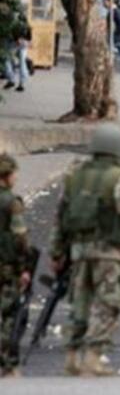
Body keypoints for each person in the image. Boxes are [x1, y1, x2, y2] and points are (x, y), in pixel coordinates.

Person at [50, 125, 120, 377]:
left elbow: (61, 217)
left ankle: (71, 358)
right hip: (109, 252)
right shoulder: (118, 178)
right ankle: (93, 358)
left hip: (79, 251)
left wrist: (56, 252)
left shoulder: (75, 176)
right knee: (108, 304)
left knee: (79, 304)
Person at [0, 154, 32, 378]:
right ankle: (7, 363)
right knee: (12, 315)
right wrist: (24, 267)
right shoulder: (12, 203)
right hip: (7, 267)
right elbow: (20, 238)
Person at [2, 12, 31, 92]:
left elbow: (12, 34)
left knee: (7, 59)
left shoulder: (13, 22)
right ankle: (22, 83)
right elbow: (29, 38)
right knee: (22, 63)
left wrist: (17, 39)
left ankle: (11, 78)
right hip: (24, 44)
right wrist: (26, 42)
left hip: (14, 43)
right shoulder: (27, 24)